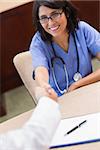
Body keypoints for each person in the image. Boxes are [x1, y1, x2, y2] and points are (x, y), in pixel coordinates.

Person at [30, 0, 100, 98]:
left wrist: (77, 84)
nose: (50, 23)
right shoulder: (38, 43)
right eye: (44, 18)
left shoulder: (82, 29)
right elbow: (40, 69)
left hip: (89, 90)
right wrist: (44, 85)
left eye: (55, 14)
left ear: (66, 12)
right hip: (61, 99)